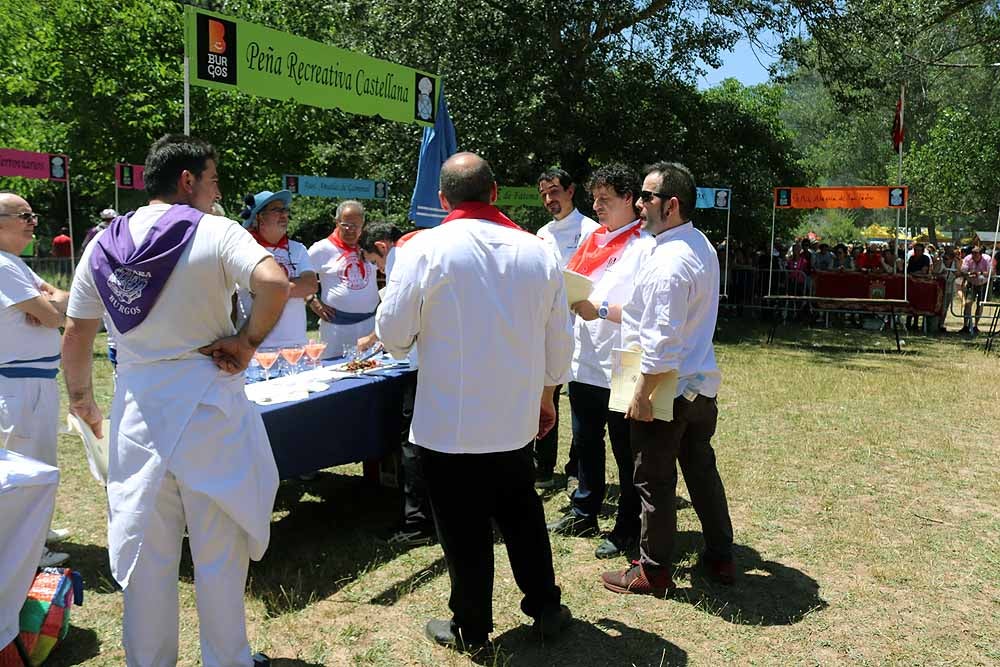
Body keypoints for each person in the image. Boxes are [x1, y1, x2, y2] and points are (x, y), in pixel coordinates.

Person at [62, 134, 287, 667]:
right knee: (219, 556)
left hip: (139, 409)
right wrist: (247, 341)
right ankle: (227, 659)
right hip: (209, 402)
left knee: (145, 556)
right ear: (187, 180)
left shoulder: (102, 243)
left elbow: (76, 332)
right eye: (212, 181)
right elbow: (274, 281)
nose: (216, 193)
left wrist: (82, 401)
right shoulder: (216, 231)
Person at [376, 152, 573, 653]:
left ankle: (471, 625)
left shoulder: (424, 248)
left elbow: (394, 334)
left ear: (443, 199)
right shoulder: (538, 250)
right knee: (522, 513)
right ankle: (546, 606)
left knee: (462, 527)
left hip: (450, 419)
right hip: (513, 415)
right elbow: (560, 341)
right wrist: (547, 393)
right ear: (496, 192)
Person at [602, 162, 734, 597]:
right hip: (698, 388)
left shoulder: (669, 262)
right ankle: (719, 556)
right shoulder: (698, 245)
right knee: (701, 474)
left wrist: (641, 396)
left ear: (671, 205)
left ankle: (653, 572)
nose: (638, 204)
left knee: (653, 482)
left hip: (669, 391)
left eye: (646, 196)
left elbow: (661, 345)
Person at [545, 164, 647, 561]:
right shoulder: (593, 241)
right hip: (586, 356)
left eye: (606, 199)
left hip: (627, 357)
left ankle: (628, 526)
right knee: (585, 440)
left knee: (626, 449)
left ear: (628, 199)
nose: (597, 206)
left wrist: (599, 308)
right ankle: (584, 510)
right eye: (595, 198)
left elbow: (645, 309)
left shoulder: (644, 244)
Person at [0, 192, 72, 568]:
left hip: (31, 381)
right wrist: (51, 306)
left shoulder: (14, 263)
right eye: (22, 215)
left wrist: (52, 303)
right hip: (19, 383)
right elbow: (54, 316)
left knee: (37, 462)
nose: (32, 221)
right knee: (24, 470)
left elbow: (63, 301)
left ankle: (35, 535)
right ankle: (26, 552)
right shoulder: (3, 265)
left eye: (32, 214)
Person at [356, 221, 435, 546]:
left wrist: (386, 338)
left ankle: (416, 522)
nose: (378, 269)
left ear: (382, 248)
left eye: (375, 262)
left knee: (412, 444)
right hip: (443, 363)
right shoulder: (427, 245)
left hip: (421, 367)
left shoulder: (403, 255)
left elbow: (397, 315)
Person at [534, 168, 600, 490]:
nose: (550, 199)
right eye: (544, 194)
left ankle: (577, 466)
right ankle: (544, 468)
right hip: (548, 329)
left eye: (555, 191)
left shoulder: (592, 231)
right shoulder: (541, 234)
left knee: (581, 402)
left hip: (583, 329)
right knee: (546, 394)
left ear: (571, 191)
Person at [236, 190, 316, 349]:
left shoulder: (298, 248)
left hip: (296, 345)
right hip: (255, 348)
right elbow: (254, 292)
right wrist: (294, 286)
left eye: (285, 210)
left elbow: (310, 286)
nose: (284, 215)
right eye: (277, 210)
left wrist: (270, 290)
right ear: (259, 217)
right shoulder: (243, 249)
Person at [307, 200, 378, 357]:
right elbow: (299, 276)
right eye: (345, 225)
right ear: (337, 222)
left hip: (369, 325)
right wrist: (313, 301)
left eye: (355, 226)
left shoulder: (369, 246)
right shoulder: (321, 249)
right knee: (334, 374)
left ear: (363, 225)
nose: (350, 230)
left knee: (372, 370)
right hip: (336, 328)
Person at [960, 246, 990, 334]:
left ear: (981, 254)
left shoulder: (987, 259)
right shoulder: (968, 258)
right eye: (972, 253)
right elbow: (963, 270)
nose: (973, 255)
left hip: (983, 284)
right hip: (971, 284)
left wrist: (979, 273)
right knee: (968, 303)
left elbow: (991, 272)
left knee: (980, 305)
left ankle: (976, 326)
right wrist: (969, 273)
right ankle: (965, 325)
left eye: (976, 253)